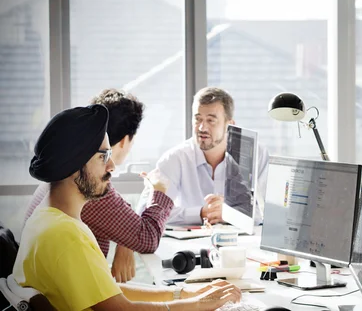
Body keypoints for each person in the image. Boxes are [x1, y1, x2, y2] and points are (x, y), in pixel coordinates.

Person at [15, 104, 241, 310]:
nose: (112, 166)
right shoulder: (66, 236)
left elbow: (105, 292)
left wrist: (180, 293)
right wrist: (197, 305)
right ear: (75, 163)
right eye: (104, 157)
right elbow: (121, 309)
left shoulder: (47, 218)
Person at [23, 89, 173, 283]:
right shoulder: (86, 189)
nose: (110, 166)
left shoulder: (65, 175)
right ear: (126, 140)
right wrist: (158, 191)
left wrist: (124, 241)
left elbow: (123, 219)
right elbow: (147, 238)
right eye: (104, 157)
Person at [137, 87, 269, 225]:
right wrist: (201, 213)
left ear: (230, 125)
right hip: (188, 244)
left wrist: (231, 213)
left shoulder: (256, 154)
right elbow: (144, 213)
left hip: (242, 244)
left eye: (211, 120)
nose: (202, 128)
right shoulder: (176, 158)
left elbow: (270, 212)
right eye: (198, 119)